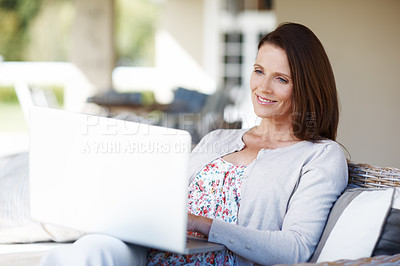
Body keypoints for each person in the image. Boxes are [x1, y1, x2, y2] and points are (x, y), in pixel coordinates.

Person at [40, 22, 348, 266]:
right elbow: (166, 193)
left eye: (281, 79)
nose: (263, 87)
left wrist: (203, 224)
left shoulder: (320, 156)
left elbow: (295, 249)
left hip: (218, 260)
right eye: (259, 71)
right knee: (90, 251)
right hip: (151, 250)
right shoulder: (219, 139)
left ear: (306, 86)